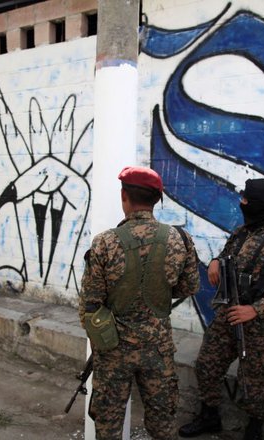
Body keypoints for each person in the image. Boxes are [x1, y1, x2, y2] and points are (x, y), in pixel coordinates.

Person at [79, 165, 200, 440]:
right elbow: (189, 286)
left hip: (113, 351)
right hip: (158, 348)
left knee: (108, 426)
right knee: (162, 424)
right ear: (157, 199)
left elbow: (90, 304)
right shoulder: (180, 239)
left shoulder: (104, 243)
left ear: (124, 196)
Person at [179, 178, 264, 440]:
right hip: (229, 314)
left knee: (255, 380)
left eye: (246, 200)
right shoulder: (241, 232)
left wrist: (256, 310)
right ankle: (209, 416)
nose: (242, 203)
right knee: (206, 365)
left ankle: (254, 429)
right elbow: (227, 256)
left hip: (259, 323)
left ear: (258, 203)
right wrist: (215, 261)